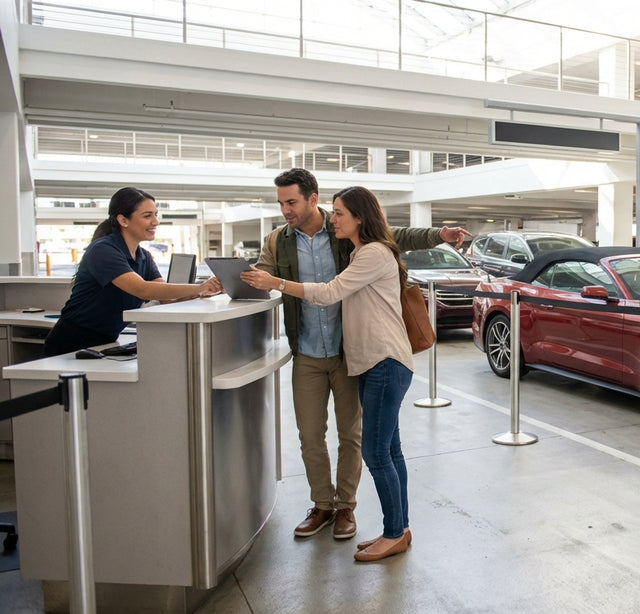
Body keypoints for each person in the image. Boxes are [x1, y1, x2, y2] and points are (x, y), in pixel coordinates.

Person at [254, 168, 471, 541]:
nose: (286, 210)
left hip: (351, 353)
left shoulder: (348, 235)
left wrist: (438, 235)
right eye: (281, 203)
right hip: (308, 349)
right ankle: (324, 505)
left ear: (312, 198)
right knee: (311, 436)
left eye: (291, 202)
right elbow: (260, 274)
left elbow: (392, 235)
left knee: (355, 437)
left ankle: (349, 509)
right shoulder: (279, 241)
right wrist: (227, 283)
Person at [243, 186, 417, 562]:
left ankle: (393, 533)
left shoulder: (372, 253)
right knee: (390, 450)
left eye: (339, 213)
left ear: (359, 217)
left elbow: (328, 293)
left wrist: (277, 284)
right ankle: (399, 528)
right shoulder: (360, 252)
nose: (332, 218)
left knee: (376, 453)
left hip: (384, 361)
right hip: (376, 362)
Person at [44, 187, 222, 357]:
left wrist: (205, 292)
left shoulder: (143, 256)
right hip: (71, 343)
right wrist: (199, 287)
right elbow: (142, 289)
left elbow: (167, 298)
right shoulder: (103, 250)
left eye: (156, 215)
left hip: (105, 341)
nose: (156, 222)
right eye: (147, 216)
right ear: (123, 220)